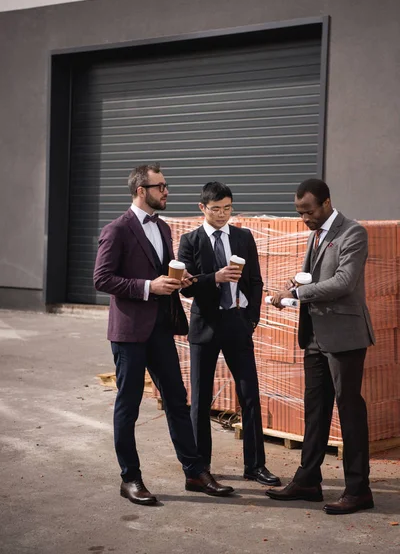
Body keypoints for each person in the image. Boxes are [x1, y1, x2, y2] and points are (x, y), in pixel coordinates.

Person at [93, 164, 234, 506]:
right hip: (129, 332)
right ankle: (130, 478)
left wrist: (178, 281)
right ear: (141, 190)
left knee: (176, 399)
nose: (167, 191)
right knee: (128, 406)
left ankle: (194, 472)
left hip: (161, 328)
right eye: (161, 187)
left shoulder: (164, 227)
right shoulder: (117, 230)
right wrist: (147, 287)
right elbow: (102, 279)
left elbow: (164, 272)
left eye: (166, 186)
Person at [266, 178, 375, 515]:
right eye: (299, 213)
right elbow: (311, 278)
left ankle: (358, 490)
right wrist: (289, 289)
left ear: (326, 203)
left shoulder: (353, 233)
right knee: (316, 410)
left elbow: (344, 282)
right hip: (314, 335)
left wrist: (296, 295)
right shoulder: (317, 234)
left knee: (349, 410)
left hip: (344, 337)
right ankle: (308, 480)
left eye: (309, 212)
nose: (305, 219)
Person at [178, 182, 281, 487]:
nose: (222, 215)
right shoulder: (190, 241)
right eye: (216, 209)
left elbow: (256, 281)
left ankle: (255, 465)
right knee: (200, 400)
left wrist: (251, 319)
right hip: (205, 326)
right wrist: (215, 278)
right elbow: (186, 287)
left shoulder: (243, 237)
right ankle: (200, 467)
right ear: (202, 208)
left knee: (250, 396)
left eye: (227, 208)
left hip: (237, 324)